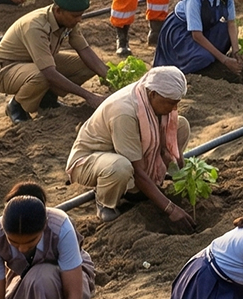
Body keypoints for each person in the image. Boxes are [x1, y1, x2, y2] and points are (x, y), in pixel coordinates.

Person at [64, 64, 193, 223]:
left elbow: (166, 143)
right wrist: (170, 208)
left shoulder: (148, 94)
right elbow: (137, 171)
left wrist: (186, 178)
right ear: (153, 94)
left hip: (125, 150)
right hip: (90, 160)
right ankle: (105, 201)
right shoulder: (124, 112)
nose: (174, 108)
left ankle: (144, 183)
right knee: (121, 167)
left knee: (181, 126)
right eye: (170, 103)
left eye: (176, 102)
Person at [0, 0, 107, 123]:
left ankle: (47, 100)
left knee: (87, 65)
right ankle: (17, 106)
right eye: (76, 16)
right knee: (42, 76)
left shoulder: (67, 19)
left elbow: (84, 50)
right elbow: (48, 72)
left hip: (35, 62)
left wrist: (110, 77)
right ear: (58, 10)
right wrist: (89, 96)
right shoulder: (35, 26)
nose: (79, 20)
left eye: (81, 15)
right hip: (6, 70)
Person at [154, 0, 243, 80]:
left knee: (225, 31)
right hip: (181, 33)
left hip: (204, 28)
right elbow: (197, 35)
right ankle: (183, 71)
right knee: (204, 58)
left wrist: (236, 51)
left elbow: (231, 24)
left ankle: (211, 59)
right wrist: (225, 60)